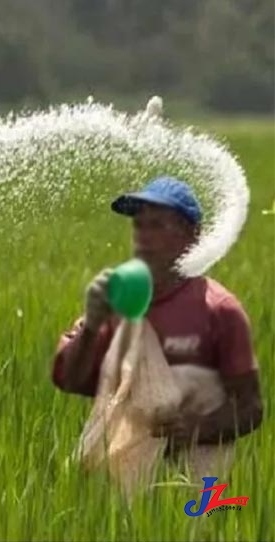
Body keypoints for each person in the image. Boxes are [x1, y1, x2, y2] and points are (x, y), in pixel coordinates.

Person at [52, 177, 263, 452]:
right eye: (139, 225)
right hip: (119, 478)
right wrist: (92, 325)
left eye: (157, 226)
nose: (143, 236)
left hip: (195, 480)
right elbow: (71, 380)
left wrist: (198, 427)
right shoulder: (118, 302)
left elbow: (250, 408)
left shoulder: (220, 310)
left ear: (191, 235)